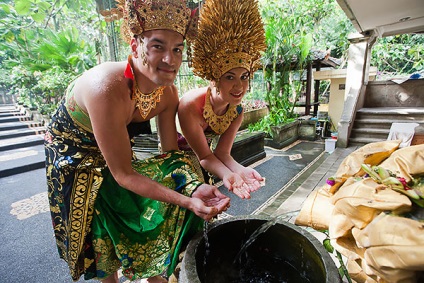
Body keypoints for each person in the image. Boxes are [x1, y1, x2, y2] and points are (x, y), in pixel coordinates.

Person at [44, 0, 230, 282]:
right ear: (135, 47)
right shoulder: (105, 89)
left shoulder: (168, 94)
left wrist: (193, 187)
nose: (171, 59)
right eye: (158, 47)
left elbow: (171, 158)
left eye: (177, 49)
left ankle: (155, 271)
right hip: (76, 156)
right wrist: (186, 201)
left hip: (117, 150)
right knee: (101, 238)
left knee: (179, 175)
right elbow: (124, 174)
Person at [177, 0, 267, 199]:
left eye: (244, 77)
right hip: (174, 167)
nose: (239, 87)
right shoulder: (190, 106)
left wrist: (240, 171)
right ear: (213, 77)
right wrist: (227, 174)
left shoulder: (237, 112)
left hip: (204, 165)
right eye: (229, 77)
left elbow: (222, 154)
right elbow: (205, 156)